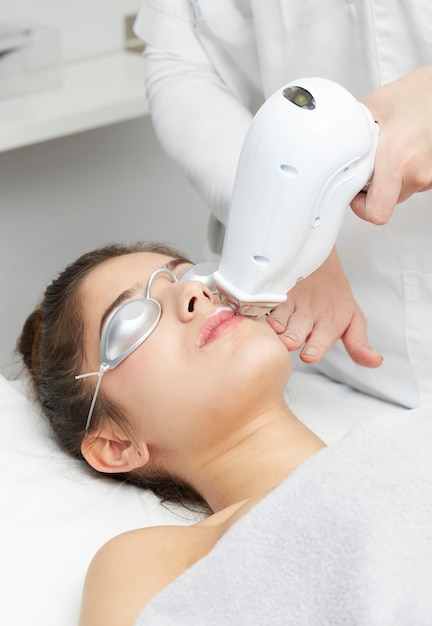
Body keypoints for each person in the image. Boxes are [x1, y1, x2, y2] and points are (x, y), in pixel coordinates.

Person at [18, 241, 432, 625]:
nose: (194, 293)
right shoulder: (156, 560)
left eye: (189, 276)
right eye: (132, 320)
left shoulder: (409, 436)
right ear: (116, 445)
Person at [133, 1, 432, 409]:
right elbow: (183, 56)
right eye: (131, 319)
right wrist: (283, 227)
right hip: (321, 353)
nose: (192, 296)